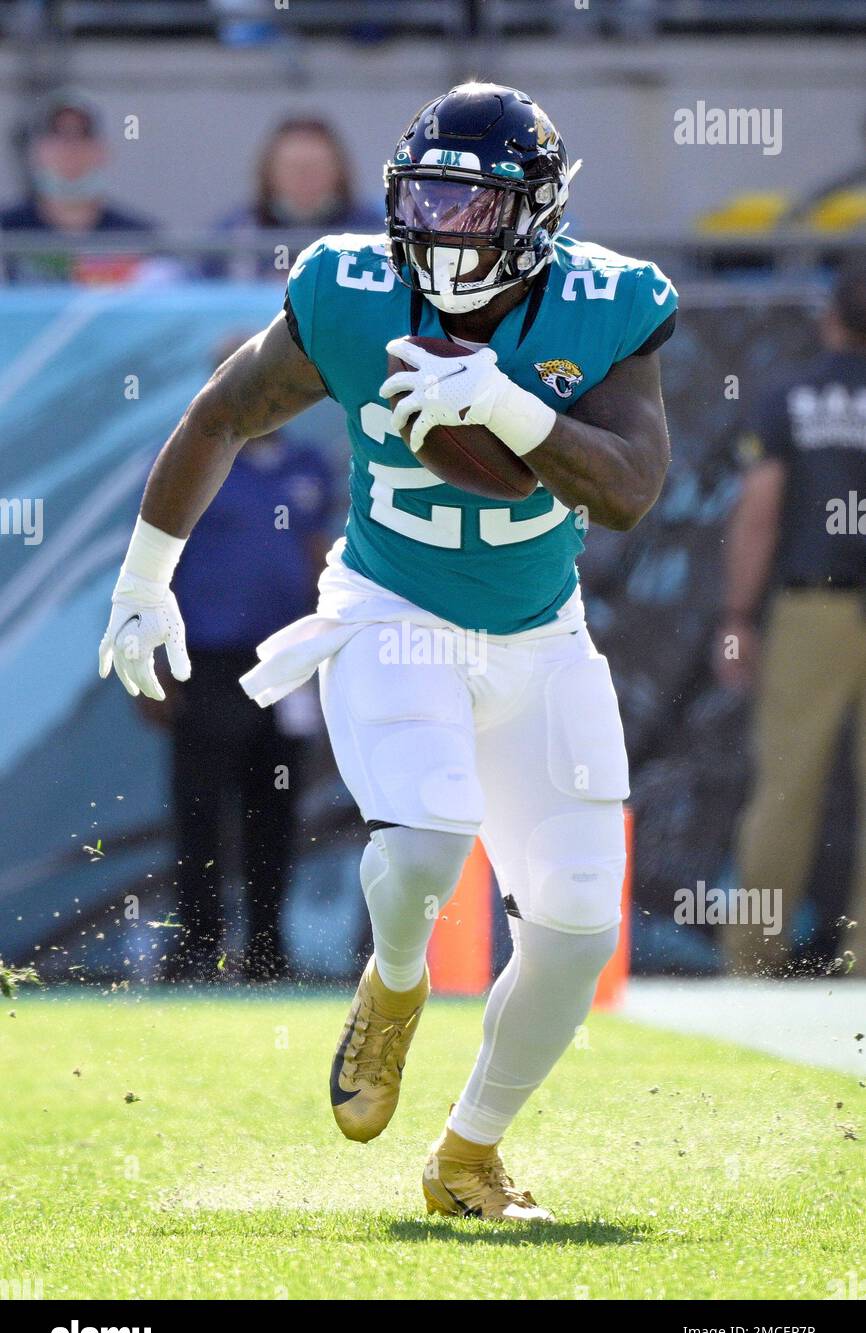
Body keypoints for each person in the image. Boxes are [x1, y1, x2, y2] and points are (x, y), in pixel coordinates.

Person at [99, 83, 676, 1221]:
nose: (443, 225)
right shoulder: (352, 288)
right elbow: (222, 413)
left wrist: (512, 412)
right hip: (387, 608)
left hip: (539, 634)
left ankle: (467, 1151)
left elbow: (627, 493)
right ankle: (394, 981)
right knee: (426, 840)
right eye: (426, 195)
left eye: (473, 202)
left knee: (573, 924)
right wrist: (141, 580)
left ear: (536, 215)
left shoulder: (608, 300)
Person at [146, 341, 335, 983]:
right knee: (200, 808)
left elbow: (320, 562)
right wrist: (151, 664)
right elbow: (153, 568)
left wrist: (325, 652)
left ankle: (265, 950)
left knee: (274, 808)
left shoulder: (309, 465)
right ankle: (196, 947)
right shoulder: (189, 461)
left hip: (284, 663)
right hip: (208, 659)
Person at [716, 260, 866, 978]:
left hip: (814, 606)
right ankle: (862, 960)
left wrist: (739, 615)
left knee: (784, 789)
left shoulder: (791, 396)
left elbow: (759, 517)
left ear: (830, 318)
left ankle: (752, 960)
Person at [0, 90, 155, 282]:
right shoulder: (6, 229)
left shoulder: (139, 237)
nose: (70, 149)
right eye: (57, 135)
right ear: (35, 152)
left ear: (103, 151)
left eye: (82, 135)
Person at [209, 117, 380, 278]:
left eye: (315, 167)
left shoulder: (370, 231)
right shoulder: (238, 232)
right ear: (270, 173)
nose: (303, 178)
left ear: (338, 172)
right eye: (292, 168)